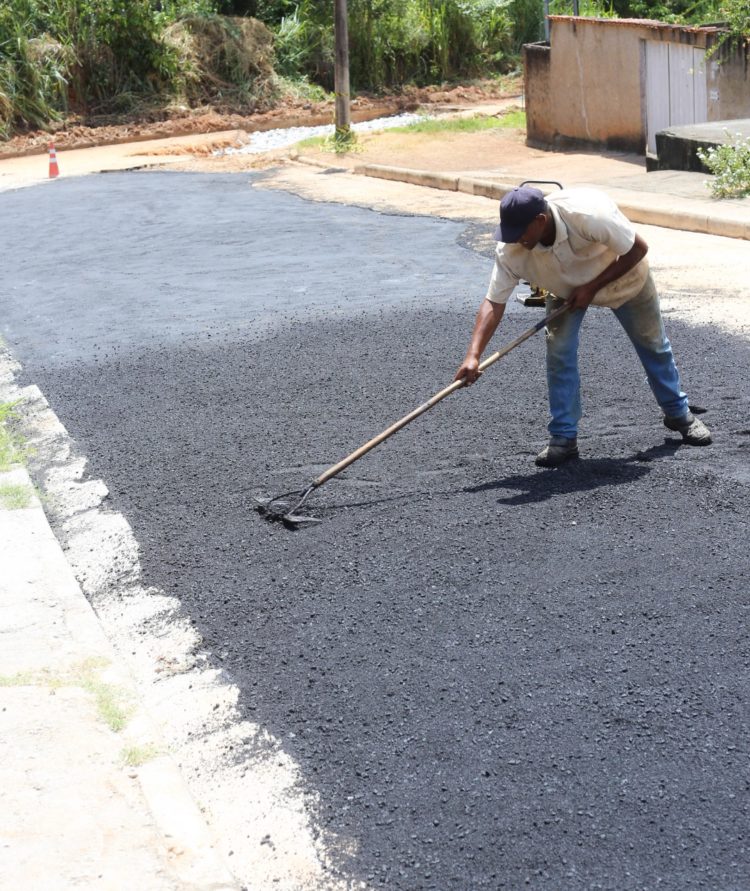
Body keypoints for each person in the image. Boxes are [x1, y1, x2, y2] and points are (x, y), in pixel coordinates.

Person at [454, 185, 711, 467]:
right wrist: (473, 355)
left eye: (520, 231)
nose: (514, 238)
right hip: (565, 292)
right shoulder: (511, 249)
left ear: (540, 220)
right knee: (559, 354)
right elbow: (494, 302)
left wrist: (591, 288)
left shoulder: (589, 215)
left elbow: (638, 248)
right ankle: (564, 437)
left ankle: (679, 414)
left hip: (625, 277)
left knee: (653, 344)